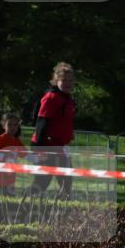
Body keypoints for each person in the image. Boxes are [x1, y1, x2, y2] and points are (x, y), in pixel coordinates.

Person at [30, 62, 77, 199]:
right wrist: (40, 149)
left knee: (66, 179)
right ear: (56, 81)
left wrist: (69, 134)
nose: (68, 83)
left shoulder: (68, 99)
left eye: (70, 80)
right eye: (64, 80)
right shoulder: (51, 97)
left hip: (61, 147)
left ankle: (64, 205)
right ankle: (27, 203)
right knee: (43, 180)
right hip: (46, 144)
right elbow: (41, 122)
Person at [0, 112, 26, 194]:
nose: (13, 127)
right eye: (9, 124)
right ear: (4, 125)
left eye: (15, 125)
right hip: (0, 178)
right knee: (2, 198)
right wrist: (2, 156)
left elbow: (24, 154)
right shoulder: (1, 139)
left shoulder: (16, 140)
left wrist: (37, 157)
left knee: (10, 198)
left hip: (11, 177)